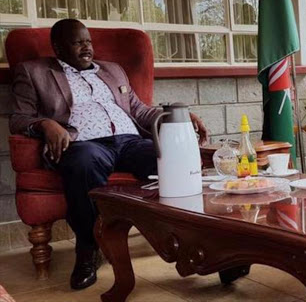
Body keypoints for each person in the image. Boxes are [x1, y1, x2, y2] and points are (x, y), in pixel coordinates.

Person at [9, 19, 208, 290]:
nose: (86, 47)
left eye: (88, 41)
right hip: (86, 144)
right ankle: (89, 249)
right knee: (83, 162)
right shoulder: (34, 72)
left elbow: (139, 110)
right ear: (58, 47)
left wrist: (178, 118)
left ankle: (194, 240)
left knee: (172, 157)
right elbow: (19, 118)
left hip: (130, 141)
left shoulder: (113, 71)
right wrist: (46, 124)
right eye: (77, 42)